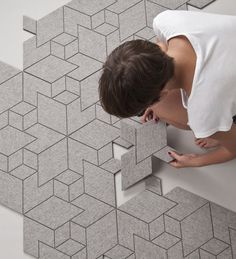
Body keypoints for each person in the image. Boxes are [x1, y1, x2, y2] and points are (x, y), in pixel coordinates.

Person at [98, 10, 236, 168]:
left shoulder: (203, 111)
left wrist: (193, 161)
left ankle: (219, 131)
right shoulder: (167, 21)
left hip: (214, 100)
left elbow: (234, 148)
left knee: (179, 115)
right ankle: (219, 128)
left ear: (161, 94)